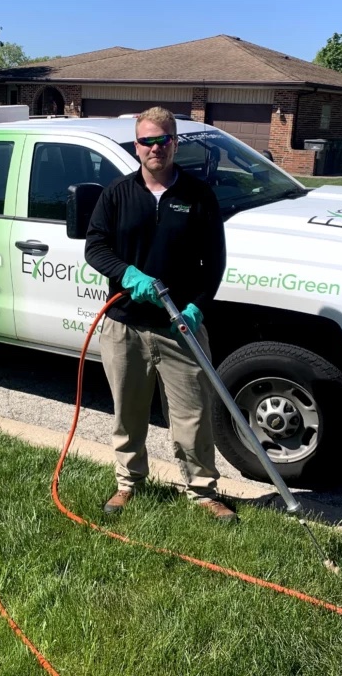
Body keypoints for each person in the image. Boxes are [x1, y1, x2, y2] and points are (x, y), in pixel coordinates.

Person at [84, 106, 234, 522]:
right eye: (147, 141)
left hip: (179, 326)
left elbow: (215, 263)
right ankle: (128, 483)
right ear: (136, 146)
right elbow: (95, 248)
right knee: (127, 413)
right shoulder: (116, 194)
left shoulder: (198, 195)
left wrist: (196, 308)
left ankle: (202, 491)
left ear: (175, 143)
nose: (155, 148)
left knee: (193, 415)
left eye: (163, 140)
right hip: (125, 327)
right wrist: (127, 274)